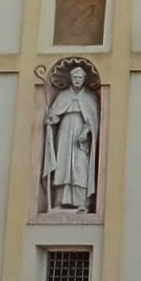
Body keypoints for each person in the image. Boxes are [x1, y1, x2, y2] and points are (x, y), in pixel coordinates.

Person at [42, 65, 100, 211]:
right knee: (63, 164)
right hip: (65, 132)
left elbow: (92, 120)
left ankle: (82, 202)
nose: (78, 80)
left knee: (80, 166)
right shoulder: (63, 96)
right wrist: (52, 119)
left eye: (80, 78)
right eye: (75, 77)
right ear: (71, 79)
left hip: (81, 135)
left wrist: (85, 132)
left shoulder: (90, 97)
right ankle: (59, 201)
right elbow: (55, 114)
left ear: (84, 79)